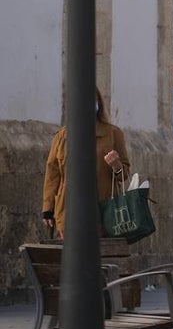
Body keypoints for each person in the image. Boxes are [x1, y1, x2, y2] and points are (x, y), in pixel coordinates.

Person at [42, 87, 130, 239]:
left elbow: (124, 176)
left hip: (102, 210)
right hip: (69, 211)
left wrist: (116, 165)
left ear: (98, 103)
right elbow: (52, 175)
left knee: (97, 259)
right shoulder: (62, 136)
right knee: (72, 259)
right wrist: (48, 209)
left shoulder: (113, 134)